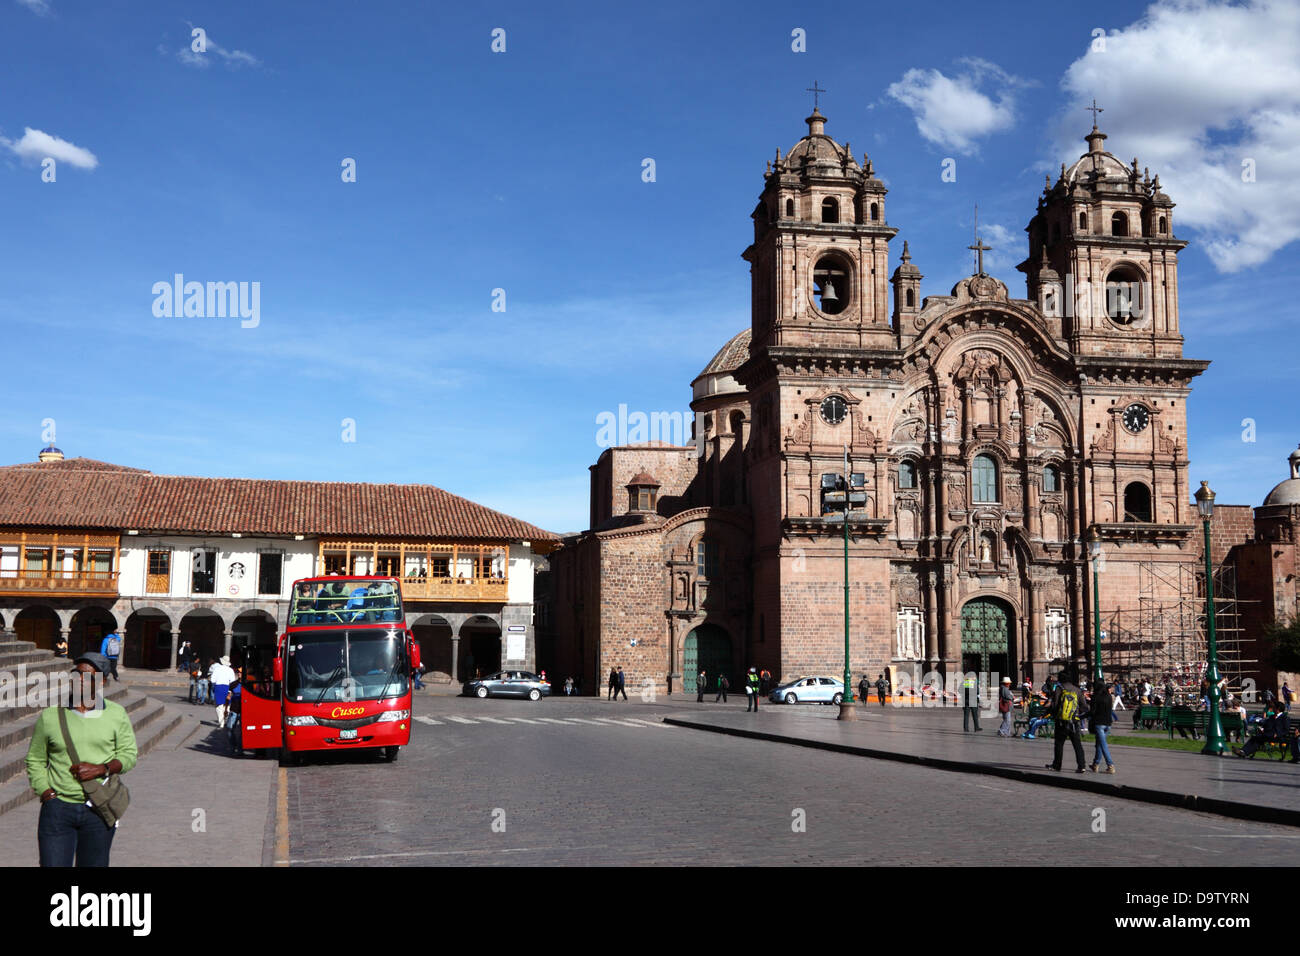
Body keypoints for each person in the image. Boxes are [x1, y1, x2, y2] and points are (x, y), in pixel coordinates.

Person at [25, 652, 138, 867]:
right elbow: (35, 759)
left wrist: (102, 769)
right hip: (58, 809)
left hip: (98, 808)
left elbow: (129, 755)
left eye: (87, 676)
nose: (79, 680)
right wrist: (46, 792)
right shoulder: (50, 716)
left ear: (102, 681)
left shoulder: (116, 714)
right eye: (76, 674)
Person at [1045, 667, 1088, 773]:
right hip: (1074, 722)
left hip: (1061, 721)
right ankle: (1081, 765)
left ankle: (1057, 765)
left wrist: (1053, 714)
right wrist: (1077, 714)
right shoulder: (1077, 690)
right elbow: (1084, 707)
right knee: (1077, 744)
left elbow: (1055, 705)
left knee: (1059, 744)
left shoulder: (1059, 689)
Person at [1089, 682, 1116, 773]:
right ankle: (1095, 764)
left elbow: (1092, 712)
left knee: (1103, 745)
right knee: (1099, 744)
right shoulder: (1108, 696)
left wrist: (1081, 716)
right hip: (1108, 723)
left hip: (1099, 723)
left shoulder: (1096, 697)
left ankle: (1110, 765)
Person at [209, 655, 237, 728]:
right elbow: (233, 681)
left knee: (219, 706)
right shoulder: (230, 670)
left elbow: (212, 680)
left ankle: (221, 722)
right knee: (227, 705)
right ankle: (226, 720)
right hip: (228, 687)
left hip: (219, 687)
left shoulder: (217, 669)